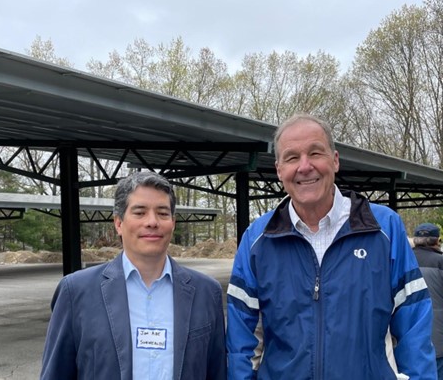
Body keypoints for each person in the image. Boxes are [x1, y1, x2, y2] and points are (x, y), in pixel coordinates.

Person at [226, 113, 436, 379]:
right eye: (292, 157)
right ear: (279, 170)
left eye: (315, 153)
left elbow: (414, 324)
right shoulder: (257, 239)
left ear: (335, 160)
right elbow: (241, 341)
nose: (305, 166)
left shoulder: (384, 228)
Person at [40, 171, 227, 380]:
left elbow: (217, 371)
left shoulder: (206, 292)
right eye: (140, 212)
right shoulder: (76, 291)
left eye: (163, 213)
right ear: (119, 223)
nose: (152, 222)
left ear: (173, 223)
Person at [413, 223, 443, 379]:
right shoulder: (440, 261)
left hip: (408, 330)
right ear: (436, 240)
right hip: (438, 332)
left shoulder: (404, 259)